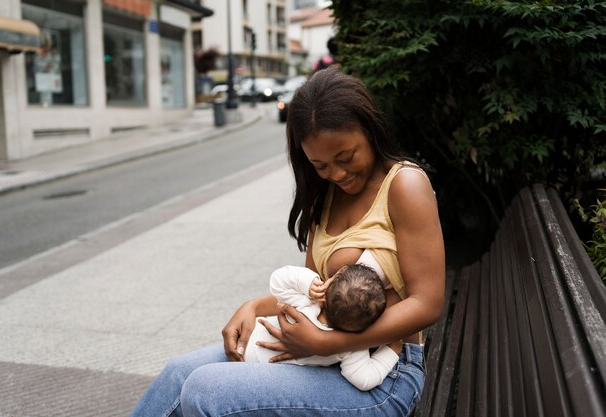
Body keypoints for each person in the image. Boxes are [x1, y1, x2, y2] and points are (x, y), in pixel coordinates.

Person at [129, 68, 445, 417]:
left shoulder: (404, 185)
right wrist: (253, 306)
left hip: (382, 376)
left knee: (206, 391)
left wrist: (329, 342)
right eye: (320, 165)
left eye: (346, 157)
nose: (337, 174)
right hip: (322, 358)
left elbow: (427, 303)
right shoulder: (324, 197)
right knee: (179, 373)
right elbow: (313, 292)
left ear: (370, 131)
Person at [245, 258, 402, 391]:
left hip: (247, 339)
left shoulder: (307, 302)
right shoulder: (349, 348)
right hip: (264, 372)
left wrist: (309, 283)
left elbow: (278, 280)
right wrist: (392, 351)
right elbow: (364, 380)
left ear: (326, 292)